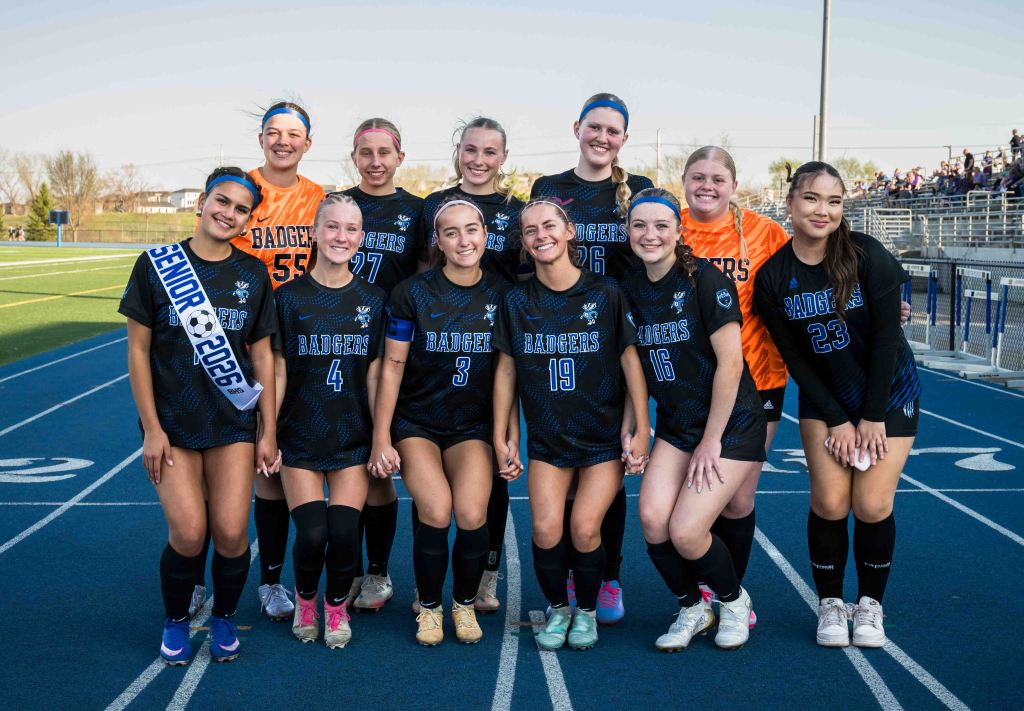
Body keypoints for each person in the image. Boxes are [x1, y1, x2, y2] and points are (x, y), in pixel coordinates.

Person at [754, 161, 922, 648]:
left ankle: (869, 604)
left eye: (834, 201)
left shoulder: (866, 254)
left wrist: (869, 417)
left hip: (887, 393)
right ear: (790, 204)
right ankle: (830, 602)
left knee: (871, 504)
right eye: (811, 198)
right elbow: (795, 360)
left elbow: (889, 338)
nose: (822, 210)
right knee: (829, 502)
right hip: (825, 398)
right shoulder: (773, 277)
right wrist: (837, 419)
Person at [120, 167, 278, 665]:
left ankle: (226, 616)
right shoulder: (156, 265)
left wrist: (268, 429)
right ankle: (175, 621)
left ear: (248, 220)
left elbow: (263, 358)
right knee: (188, 533)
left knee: (231, 532)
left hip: (231, 424)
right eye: (221, 201)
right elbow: (138, 351)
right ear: (202, 202)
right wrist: (151, 429)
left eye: (240, 209)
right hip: (172, 425)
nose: (228, 213)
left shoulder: (253, 274)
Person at [491, 197, 650, 651]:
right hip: (548, 438)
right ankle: (558, 610)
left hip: (600, 437)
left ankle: (585, 612)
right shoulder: (516, 300)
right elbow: (506, 369)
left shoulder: (605, 292)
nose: (541, 235)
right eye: (530, 230)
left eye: (549, 226)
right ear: (523, 242)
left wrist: (640, 424)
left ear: (569, 232)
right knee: (545, 529)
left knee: (584, 527)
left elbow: (629, 360)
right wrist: (506, 433)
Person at [188, 101, 325, 624]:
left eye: (294, 134)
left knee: (273, 466)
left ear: (307, 143)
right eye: (274, 132)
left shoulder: (318, 199)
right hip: (230, 344)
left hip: (294, 342)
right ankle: (197, 574)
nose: (283, 141)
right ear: (262, 139)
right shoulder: (240, 192)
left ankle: (270, 580)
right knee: (210, 467)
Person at [621, 188, 765, 651]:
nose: (650, 235)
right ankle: (691, 607)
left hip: (731, 424)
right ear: (627, 231)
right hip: (678, 423)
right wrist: (639, 428)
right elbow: (634, 368)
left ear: (679, 231)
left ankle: (734, 601)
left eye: (661, 225)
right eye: (639, 225)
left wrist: (712, 441)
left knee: (686, 530)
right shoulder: (630, 287)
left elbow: (731, 364)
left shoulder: (706, 279)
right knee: (651, 518)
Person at [529, 93, 654, 624]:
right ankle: (568, 588)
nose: (603, 137)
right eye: (595, 127)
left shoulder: (640, 191)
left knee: (615, 458)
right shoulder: (549, 190)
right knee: (567, 473)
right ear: (577, 127)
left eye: (614, 130)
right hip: (564, 332)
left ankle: (608, 577)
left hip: (622, 330)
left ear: (625, 138)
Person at [370, 197, 513, 645]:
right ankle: (429, 607)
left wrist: (504, 437)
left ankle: (464, 603)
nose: (463, 240)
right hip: (418, 422)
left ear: (485, 235)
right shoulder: (411, 293)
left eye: (471, 230)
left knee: (472, 513)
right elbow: (392, 366)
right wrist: (381, 437)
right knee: (434, 509)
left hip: (471, 426)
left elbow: (508, 373)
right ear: (438, 240)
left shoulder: (503, 295)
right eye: (451, 232)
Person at [679, 147, 791, 629]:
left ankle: (730, 599)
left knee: (738, 499)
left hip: (758, 380)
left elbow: (811, 278)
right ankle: (703, 597)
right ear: (683, 180)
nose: (707, 186)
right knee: (693, 497)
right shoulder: (668, 224)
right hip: (686, 386)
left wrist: (880, 305)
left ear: (734, 185)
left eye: (717, 178)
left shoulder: (766, 233)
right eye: (698, 176)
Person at [420, 118, 525, 613]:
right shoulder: (433, 205)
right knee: (436, 488)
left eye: (490, 151)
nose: (479, 159)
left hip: (495, 346)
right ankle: (426, 587)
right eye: (471, 150)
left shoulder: (514, 210)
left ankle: (486, 574)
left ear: (503, 157)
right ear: (458, 151)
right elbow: (423, 273)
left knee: (493, 472)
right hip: (444, 348)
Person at [274, 193, 386, 648]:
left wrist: (381, 436)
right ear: (315, 233)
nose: (342, 236)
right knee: (313, 532)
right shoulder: (288, 298)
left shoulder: (374, 300)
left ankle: (336, 608)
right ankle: (305, 599)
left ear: (361, 238)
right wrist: (268, 432)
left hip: (351, 438)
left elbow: (379, 372)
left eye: (351, 229)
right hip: (299, 436)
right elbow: (277, 367)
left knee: (343, 534)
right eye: (333, 226)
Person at [343, 118, 427, 611]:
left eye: (384, 152)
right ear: (354, 156)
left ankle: (377, 571)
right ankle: (348, 567)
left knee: (377, 468)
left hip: (391, 351)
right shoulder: (337, 203)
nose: (375, 161)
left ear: (400, 157)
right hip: (337, 346)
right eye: (365, 152)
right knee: (342, 458)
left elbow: (421, 282)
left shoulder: (416, 211)